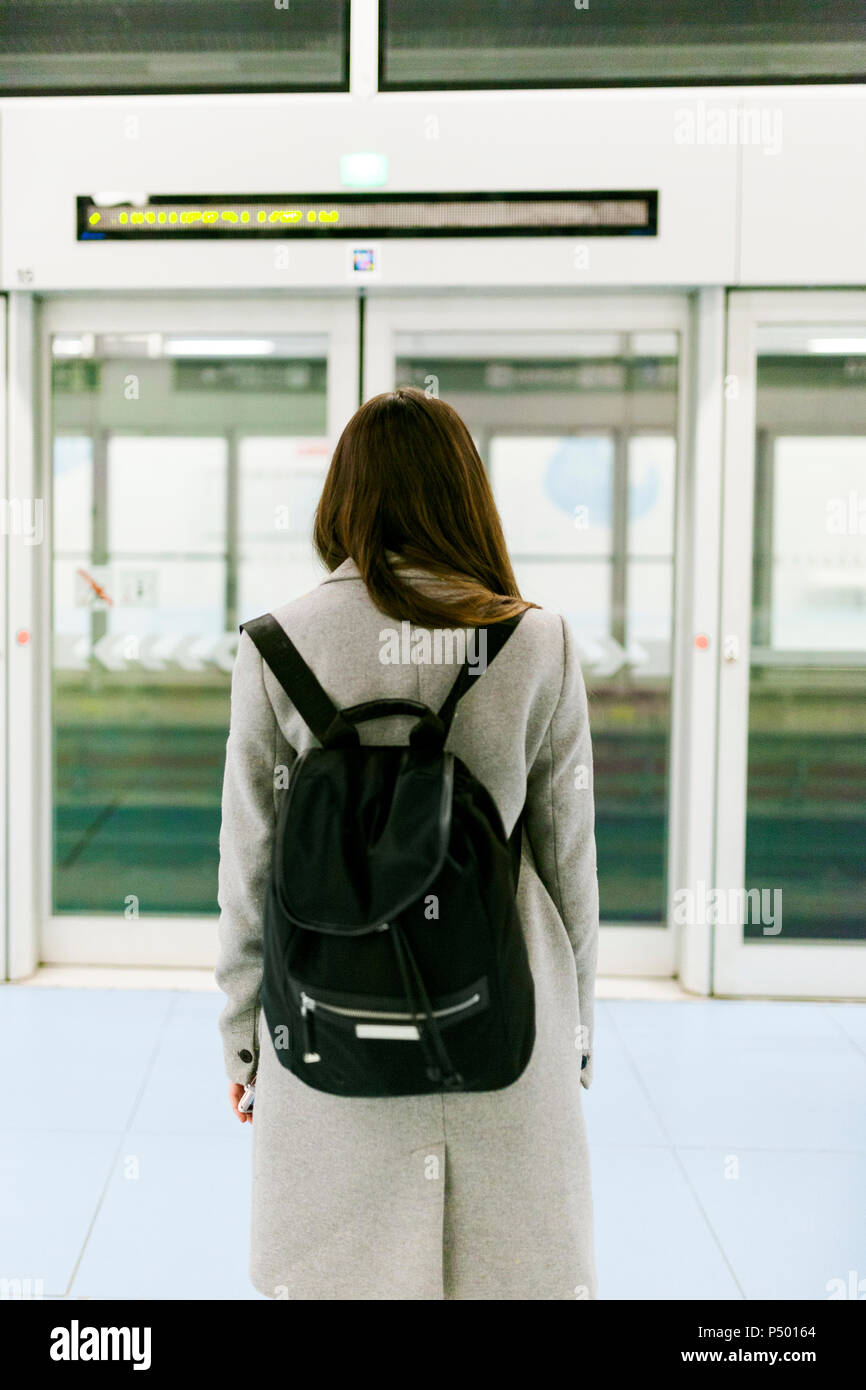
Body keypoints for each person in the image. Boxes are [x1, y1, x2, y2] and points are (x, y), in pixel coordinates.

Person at [214, 386, 600, 1300]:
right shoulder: (535, 641)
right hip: (503, 1021)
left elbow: (250, 865)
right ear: (464, 495)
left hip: (325, 1024)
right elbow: (566, 858)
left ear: (343, 497)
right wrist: (575, 1036)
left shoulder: (277, 645)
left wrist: (242, 1040)